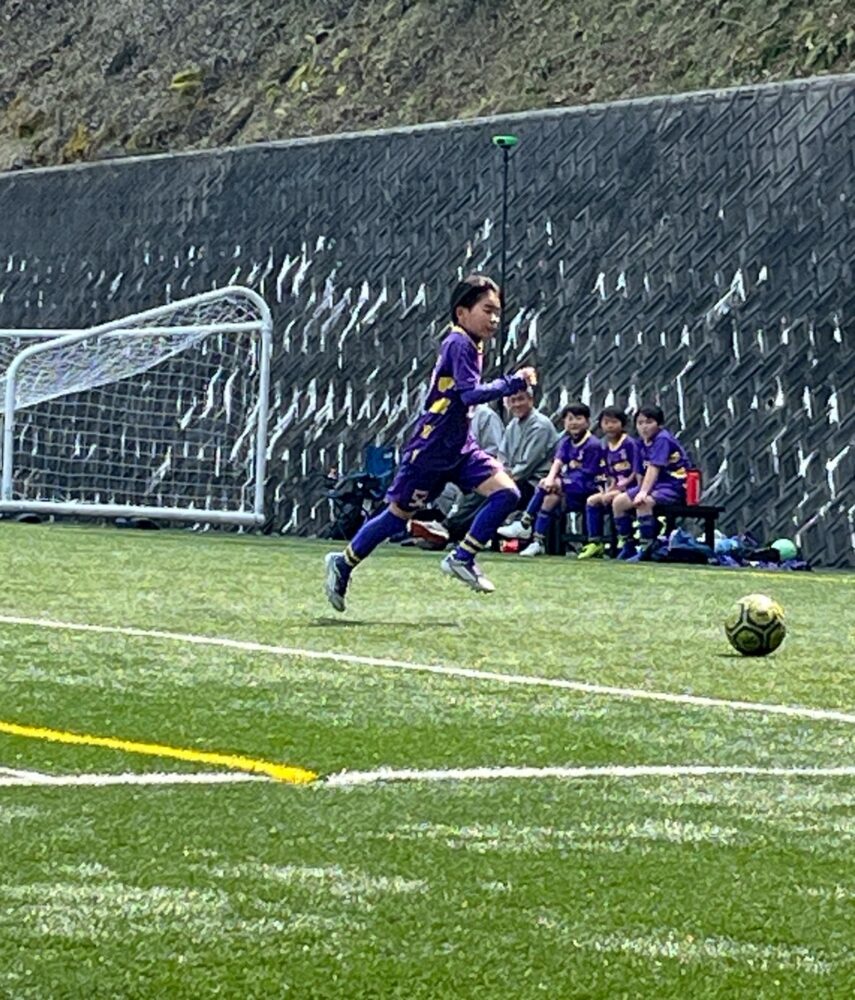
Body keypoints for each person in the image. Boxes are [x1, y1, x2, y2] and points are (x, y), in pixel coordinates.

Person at [324, 274, 536, 611]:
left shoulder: (471, 343)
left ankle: (463, 557)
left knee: (507, 493)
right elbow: (469, 395)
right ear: (461, 312)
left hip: (460, 447)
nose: (495, 318)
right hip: (431, 449)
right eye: (487, 310)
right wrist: (513, 382)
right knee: (396, 517)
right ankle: (343, 563)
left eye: (498, 312)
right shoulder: (459, 343)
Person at [498, 403, 603, 557]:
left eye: (578, 418)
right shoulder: (566, 441)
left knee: (545, 485)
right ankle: (537, 542)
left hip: (588, 487)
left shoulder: (593, 445)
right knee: (549, 498)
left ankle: (524, 523)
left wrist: (557, 482)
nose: (573, 422)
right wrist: (550, 478)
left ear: (587, 422)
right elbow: (557, 462)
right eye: (569, 419)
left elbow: (588, 475)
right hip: (570, 490)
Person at [611, 404, 690, 561]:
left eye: (649, 422)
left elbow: (654, 468)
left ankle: (646, 548)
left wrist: (642, 493)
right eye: (640, 423)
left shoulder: (662, 439)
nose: (644, 427)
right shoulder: (640, 443)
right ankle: (628, 546)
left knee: (644, 502)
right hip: (653, 485)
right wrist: (637, 489)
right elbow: (640, 471)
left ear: (659, 424)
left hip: (674, 485)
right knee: (618, 503)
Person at [577, 406, 638, 559]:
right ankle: (595, 543)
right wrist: (607, 490)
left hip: (632, 487)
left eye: (614, 422)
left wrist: (621, 488)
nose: (610, 426)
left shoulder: (630, 444)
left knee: (616, 500)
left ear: (623, 424)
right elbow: (609, 474)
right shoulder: (604, 446)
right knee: (592, 500)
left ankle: (627, 544)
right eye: (606, 422)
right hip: (616, 487)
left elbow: (636, 471)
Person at [498, 387, 559, 510]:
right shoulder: (512, 425)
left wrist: (505, 479)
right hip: (514, 477)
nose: (517, 404)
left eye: (521, 399)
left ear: (531, 400)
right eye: (513, 400)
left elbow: (527, 466)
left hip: (535, 481)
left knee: (499, 496)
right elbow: (502, 455)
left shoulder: (540, 425)